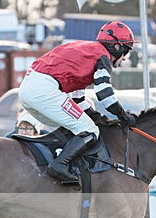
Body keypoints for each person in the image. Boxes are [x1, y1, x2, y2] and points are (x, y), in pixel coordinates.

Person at [18, 20, 139, 184]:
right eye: (126, 51)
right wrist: (123, 115)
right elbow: (105, 94)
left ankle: (61, 161)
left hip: (29, 87)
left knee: (76, 126)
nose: (124, 58)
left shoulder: (87, 52)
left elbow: (77, 99)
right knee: (90, 131)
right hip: (44, 89)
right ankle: (59, 164)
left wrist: (98, 117)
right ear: (116, 46)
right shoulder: (102, 57)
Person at [6, 111, 45, 218]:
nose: (25, 131)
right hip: (14, 205)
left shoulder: (44, 149)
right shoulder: (8, 146)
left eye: (29, 128)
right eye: (22, 127)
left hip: (36, 206)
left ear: (36, 130)